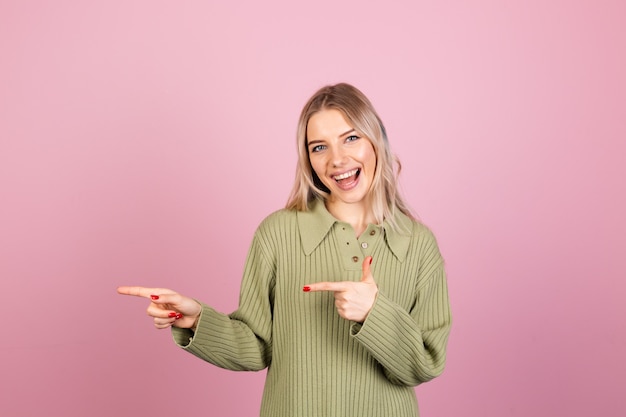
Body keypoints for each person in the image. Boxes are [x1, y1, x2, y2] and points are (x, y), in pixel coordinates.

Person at [118, 83, 452, 417]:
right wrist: (195, 320)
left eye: (351, 138)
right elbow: (256, 347)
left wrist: (374, 313)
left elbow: (425, 363)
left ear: (375, 139)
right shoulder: (277, 233)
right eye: (319, 147)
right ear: (308, 159)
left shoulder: (418, 244)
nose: (337, 159)